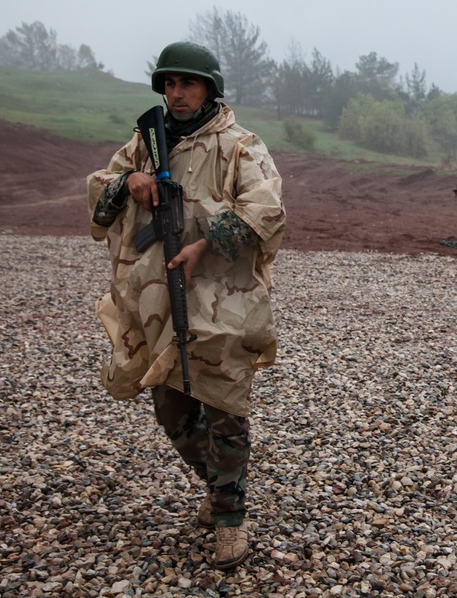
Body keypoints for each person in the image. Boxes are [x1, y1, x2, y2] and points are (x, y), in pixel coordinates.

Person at [86, 41, 286, 570]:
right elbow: (100, 191)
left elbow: (267, 209)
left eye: (188, 83)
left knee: (224, 406)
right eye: (170, 84)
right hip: (157, 297)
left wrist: (206, 244)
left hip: (224, 298)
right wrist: (127, 180)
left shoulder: (241, 146)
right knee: (171, 407)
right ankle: (218, 486)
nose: (177, 93)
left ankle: (230, 519)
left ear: (209, 89)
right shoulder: (145, 142)